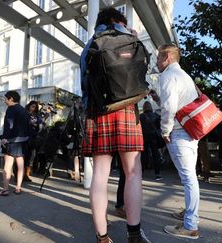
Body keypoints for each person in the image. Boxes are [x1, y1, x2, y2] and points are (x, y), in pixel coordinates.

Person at [80, 7, 150, 243]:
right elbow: (142, 73)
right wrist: (133, 35)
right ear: (119, 21)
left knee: (100, 175)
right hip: (128, 110)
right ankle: (134, 234)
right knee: (133, 173)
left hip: (99, 111)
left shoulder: (90, 45)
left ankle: (103, 236)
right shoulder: (131, 39)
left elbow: (84, 86)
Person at [155, 43, 200, 240]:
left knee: (189, 179)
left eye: (158, 57)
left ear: (167, 57)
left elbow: (169, 107)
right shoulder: (183, 76)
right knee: (190, 178)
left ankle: (190, 225)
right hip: (188, 132)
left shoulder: (168, 75)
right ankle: (189, 215)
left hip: (179, 133)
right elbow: (175, 104)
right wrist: (159, 100)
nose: (156, 61)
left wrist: (165, 130)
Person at [0, 91, 30, 196]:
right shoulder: (23, 109)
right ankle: (18, 188)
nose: (4, 101)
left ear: (11, 99)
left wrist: (4, 138)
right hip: (23, 141)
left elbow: (9, 124)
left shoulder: (11, 109)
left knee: (7, 166)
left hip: (11, 141)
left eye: (5, 99)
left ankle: (5, 189)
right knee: (20, 166)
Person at [140, 101, 164, 180]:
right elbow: (160, 126)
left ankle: (141, 173)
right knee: (155, 155)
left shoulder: (141, 116)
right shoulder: (156, 115)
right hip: (154, 137)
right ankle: (158, 173)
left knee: (143, 155)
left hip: (144, 137)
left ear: (143, 108)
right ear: (151, 107)